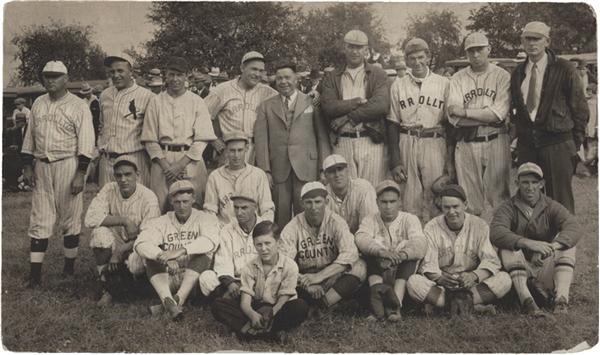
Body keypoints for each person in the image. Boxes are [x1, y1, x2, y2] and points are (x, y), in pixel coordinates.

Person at [21, 61, 95, 287]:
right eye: (47, 76)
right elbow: (29, 138)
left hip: (68, 163)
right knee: (40, 216)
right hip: (42, 164)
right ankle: (35, 276)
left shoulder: (78, 105)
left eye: (55, 76)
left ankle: (69, 269)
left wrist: (81, 173)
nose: (50, 80)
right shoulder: (38, 104)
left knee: (70, 216)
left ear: (66, 79)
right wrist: (26, 166)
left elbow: (86, 141)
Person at [510, 21, 589, 214]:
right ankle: (536, 242)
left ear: (547, 41)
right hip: (528, 145)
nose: (532, 43)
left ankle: (564, 243)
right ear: (522, 42)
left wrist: (573, 144)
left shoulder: (565, 68)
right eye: (527, 39)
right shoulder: (518, 72)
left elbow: (580, 109)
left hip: (558, 144)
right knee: (529, 199)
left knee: (559, 200)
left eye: (537, 39)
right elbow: (518, 112)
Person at [490, 162, 583, 315]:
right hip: (518, 271)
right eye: (525, 182)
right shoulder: (508, 207)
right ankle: (527, 302)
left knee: (568, 246)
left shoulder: (551, 205)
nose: (530, 187)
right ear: (517, 183)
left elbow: (574, 227)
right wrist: (529, 243)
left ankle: (561, 300)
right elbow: (496, 231)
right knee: (508, 247)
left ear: (542, 184)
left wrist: (550, 247)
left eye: (534, 182)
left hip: (542, 265)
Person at [406, 184, 511, 314]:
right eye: (446, 207)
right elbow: (428, 263)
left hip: (470, 285)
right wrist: (439, 278)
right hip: (443, 285)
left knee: (504, 279)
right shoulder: (431, 227)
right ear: (442, 207)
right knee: (413, 282)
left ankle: (445, 308)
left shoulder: (479, 225)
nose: (451, 212)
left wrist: (474, 276)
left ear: (465, 205)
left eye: (455, 206)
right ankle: (472, 307)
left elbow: (491, 260)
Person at [254, 61, 331, 228]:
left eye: (287, 77)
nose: (283, 82)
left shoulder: (311, 102)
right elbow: (261, 141)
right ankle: (282, 250)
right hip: (278, 169)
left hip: (306, 167)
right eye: (279, 78)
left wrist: (323, 168)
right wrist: (265, 171)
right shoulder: (266, 106)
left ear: (296, 79)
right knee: (280, 215)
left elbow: (322, 137)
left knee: (306, 213)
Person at [446, 33, 511, 218]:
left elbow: (499, 114)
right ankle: (474, 243)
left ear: (488, 49)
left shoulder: (502, 76)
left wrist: (465, 112)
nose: (475, 55)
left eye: (479, 49)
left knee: (500, 199)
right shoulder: (457, 78)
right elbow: (453, 117)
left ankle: (501, 244)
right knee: (470, 201)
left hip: (496, 138)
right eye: (471, 51)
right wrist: (485, 114)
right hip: (467, 142)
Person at [211, 221, 308, 343]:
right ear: (254, 245)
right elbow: (245, 302)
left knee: (300, 306)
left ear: (278, 242)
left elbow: (283, 300)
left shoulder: (290, 266)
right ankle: (271, 334)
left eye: (268, 243)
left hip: (277, 308)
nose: (264, 249)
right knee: (218, 305)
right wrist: (252, 315)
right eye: (259, 245)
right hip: (256, 305)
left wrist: (269, 315)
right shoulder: (249, 267)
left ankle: (248, 332)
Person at [134, 180, 219, 320]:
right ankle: (168, 299)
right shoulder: (162, 221)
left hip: (194, 279)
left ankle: (177, 300)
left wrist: (180, 250)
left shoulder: (205, 218)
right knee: (150, 257)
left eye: (186, 201)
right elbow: (140, 243)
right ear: (171, 201)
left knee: (203, 254)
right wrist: (162, 257)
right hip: (168, 277)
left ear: (194, 199)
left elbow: (210, 241)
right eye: (177, 202)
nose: (182, 206)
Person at [387, 38, 451, 222]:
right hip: (406, 138)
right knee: (409, 198)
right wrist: (395, 159)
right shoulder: (398, 85)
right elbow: (392, 122)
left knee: (436, 194)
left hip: (434, 139)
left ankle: (437, 242)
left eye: (421, 57)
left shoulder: (443, 83)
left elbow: (449, 122)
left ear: (428, 56)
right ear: (406, 61)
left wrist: (449, 156)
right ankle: (414, 242)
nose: (417, 62)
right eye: (412, 58)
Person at [141, 56, 216, 212]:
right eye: (171, 75)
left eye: (179, 75)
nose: (175, 79)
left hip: (190, 159)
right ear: (165, 76)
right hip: (162, 161)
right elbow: (150, 138)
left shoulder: (196, 101)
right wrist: (166, 166)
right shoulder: (156, 101)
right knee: (160, 207)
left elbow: (202, 138)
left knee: (193, 206)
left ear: (186, 76)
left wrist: (180, 165)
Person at [279, 182, 367, 314]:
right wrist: (307, 283)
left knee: (359, 266)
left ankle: (323, 304)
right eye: (309, 202)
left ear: (326, 201)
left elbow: (350, 253)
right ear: (302, 203)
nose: (313, 207)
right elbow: (283, 262)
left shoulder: (336, 222)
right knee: (282, 276)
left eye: (317, 202)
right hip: (304, 279)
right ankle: (330, 303)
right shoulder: (292, 227)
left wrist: (320, 277)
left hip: (331, 276)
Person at [84, 157, 161, 306]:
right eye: (118, 175)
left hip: (137, 246)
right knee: (99, 235)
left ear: (137, 175)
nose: (123, 179)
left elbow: (149, 236)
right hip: (116, 240)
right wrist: (125, 221)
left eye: (128, 174)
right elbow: (90, 218)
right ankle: (105, 286)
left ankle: (129, 285)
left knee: (135, 267)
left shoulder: (148, 197)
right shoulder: (109, 189)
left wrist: (120, 251)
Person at [320, 29, 391, 186]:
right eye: (351, 47)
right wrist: (357, 101)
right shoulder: (333, 76)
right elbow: (329, 107)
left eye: (359, 47)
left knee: (371, 191)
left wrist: (348, 117)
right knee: (345, 191)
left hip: (370, 138)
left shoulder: (377, 73)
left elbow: (380, 105)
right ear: (344, 48)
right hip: (343, 139)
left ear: (366, 50)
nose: (354, 51)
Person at [355, 180, 427, 321]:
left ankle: (395, 306)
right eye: (384, 202)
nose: (388, 206)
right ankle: (377, 304)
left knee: (410, 251)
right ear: (377, 202)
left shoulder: (409, 219)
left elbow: (420, 243)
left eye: (392, 202)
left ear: (399, 202)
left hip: (402, 277)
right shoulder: (370, 219)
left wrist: (402, 255)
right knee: (370, 252)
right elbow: (360, 238)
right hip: (378, 273)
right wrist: (381, 252)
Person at [205, 51, 278, 165]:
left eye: (261, 71)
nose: (257, 74)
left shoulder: (268, 93)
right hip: (230, 150)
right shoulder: (222, 90)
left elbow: (291, 98)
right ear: (242, 68)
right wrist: (214, 141)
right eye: (253, 69)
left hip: (257, 151)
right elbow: (201, 117)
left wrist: (315, 94)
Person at [97, 53, 155, 188]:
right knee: (107, 204)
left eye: (120, 70)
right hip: (107, 160)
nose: (116, 75)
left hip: (134, 158)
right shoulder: (105, 95)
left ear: (131, 72)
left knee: (136, 204)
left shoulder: (147, 96)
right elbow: (102, 126)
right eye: (112, 71)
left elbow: (152, 132)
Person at [199, 193, 262, 299]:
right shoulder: (227, 230)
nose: (239, 212)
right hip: (235, 279)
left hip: (259, 279)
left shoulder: (265, 227)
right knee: (206, 278)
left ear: (254, 208)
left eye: (244, 208)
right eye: (236, 208)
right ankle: (235, 295)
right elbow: (223, 261)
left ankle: (231, 299)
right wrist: (230, 283)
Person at [204, 131, 274, 227]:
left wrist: (259, 231)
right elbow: (209, 212)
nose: (236, 155)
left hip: (253, 231)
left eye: (240, 150)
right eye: (232, 150)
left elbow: (267, 210)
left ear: (246, 148)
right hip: (224, 230)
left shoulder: (258, 175)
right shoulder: (215, 176)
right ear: (226, 150)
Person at [322, 154, 377, 234]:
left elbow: (369, 227)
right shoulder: (322, 195)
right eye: (332, 171)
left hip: (363, 238)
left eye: (340, 169)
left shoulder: (363, 188)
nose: (337, 175)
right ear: (325, 176)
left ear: (347, 171)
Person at [3, 113, 28, 191]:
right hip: (17, 153)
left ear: (24, 122)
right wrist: (13, 147)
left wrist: (19, 147)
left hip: (27, 152)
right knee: (8, 160)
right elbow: (8, 144)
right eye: (17, 122)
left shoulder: (29, 129)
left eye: (19, 122)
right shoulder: (14, 130)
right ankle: (12, 183)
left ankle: (20, 183)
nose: (17, 124)